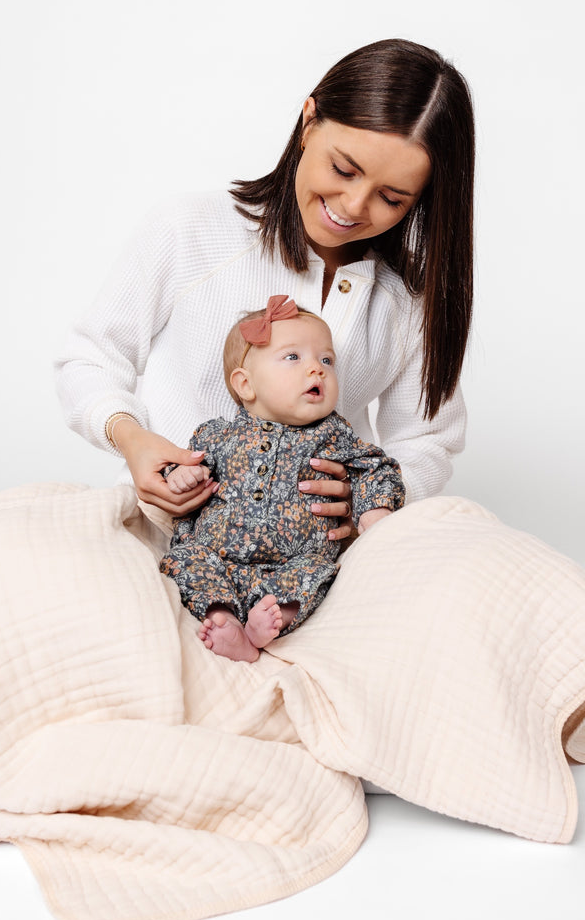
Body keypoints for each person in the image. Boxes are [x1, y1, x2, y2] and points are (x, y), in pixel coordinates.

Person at [55, 38, 475, 544]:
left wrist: (374, 500)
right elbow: (90, 358)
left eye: (392, 198)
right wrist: (132, 439)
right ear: (308, 120)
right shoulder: (190, 230)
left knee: (483, 552)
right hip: (166, 535)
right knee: (16, 538)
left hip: (320, 565)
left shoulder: (405, 303)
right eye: (343, 169)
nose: (354, 205)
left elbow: (426, 438)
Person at [158, 296, 406, 661]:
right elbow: (185, 463)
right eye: (294, 357)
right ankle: (222, 619)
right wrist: (180, 474)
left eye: (326, 360)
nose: (317, 370)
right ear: (245, 385)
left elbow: (376, 467)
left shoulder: (333, 435)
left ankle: (268, 623)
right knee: (183, 560)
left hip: (293, 563)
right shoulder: (218, 435)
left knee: (318, 574)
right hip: (216, 554)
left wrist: (374, 510)